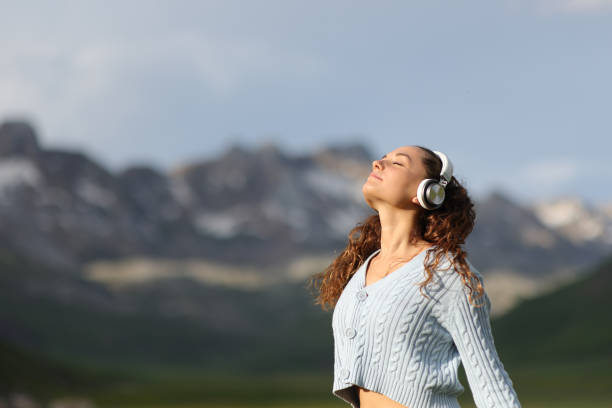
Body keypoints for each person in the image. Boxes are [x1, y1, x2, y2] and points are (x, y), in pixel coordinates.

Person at [308, 145, 522, 408]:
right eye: (382, 159)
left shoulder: (449, 274)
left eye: (397, 163)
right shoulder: (362, 270)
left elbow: (490, 384)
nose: (377, 163)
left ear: (427, 193)